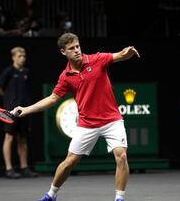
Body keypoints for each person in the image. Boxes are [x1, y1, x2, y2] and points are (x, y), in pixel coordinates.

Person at [11, 33, 140, 201]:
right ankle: (51, 194)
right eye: (72, 48)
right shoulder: (65, 77)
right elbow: (52, 99)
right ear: (63, 52)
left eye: (78, 46)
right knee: (70, 161)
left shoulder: (97, 59)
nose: (77, 50)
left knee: (121, 155)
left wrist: (127, 53)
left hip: (112, 120)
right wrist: (26, 110)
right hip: (86, 124)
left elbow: (119, 55)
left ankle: (119, 198)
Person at [0, 46, 38, 179]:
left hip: (24, 110)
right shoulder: (9, 71)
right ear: (13, 58)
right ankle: (9, 169)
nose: (22, 58)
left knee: (22, 139)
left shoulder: (26, 72)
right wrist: (7, 97)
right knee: (9, 137)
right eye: (19, 56)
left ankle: (24, 168)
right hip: (11, 111)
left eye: (24, 56)